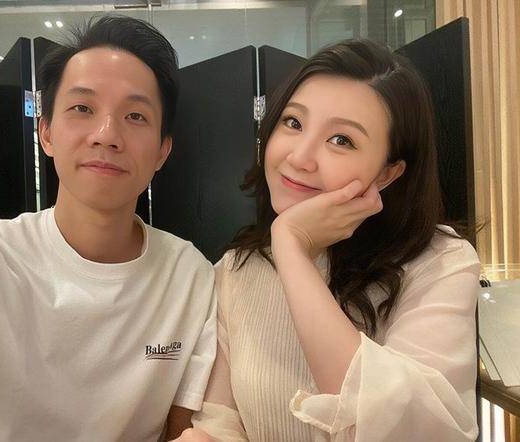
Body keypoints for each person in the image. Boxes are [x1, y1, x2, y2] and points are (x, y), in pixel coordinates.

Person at [0, 15, 216, 441]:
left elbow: (186, 431)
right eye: (82, 108)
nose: (106, 135)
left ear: (162, 151)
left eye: (135, 115)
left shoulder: (189, 277)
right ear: (46, 133)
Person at [176, 39, 480, 441]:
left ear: (387, 173)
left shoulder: (440, 263)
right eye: (293, 123)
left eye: (342, 140)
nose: (300, 157)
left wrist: (291, 247)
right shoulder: (236, 270)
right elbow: (221, 422)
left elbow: (409, 429)